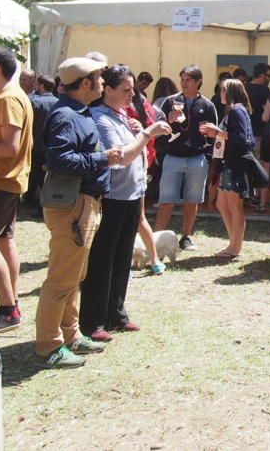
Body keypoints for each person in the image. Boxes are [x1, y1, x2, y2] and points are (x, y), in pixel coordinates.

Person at [35, 57, 123, 368]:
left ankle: (70, 334)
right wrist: (103, 159)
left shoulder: (77, 112)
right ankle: (49, 345)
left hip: (85, 203)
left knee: (75, 275)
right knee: (61, 278)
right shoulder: (66, 116)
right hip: (75, 205)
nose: (102, 82)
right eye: (99, 78)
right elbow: (60, 161)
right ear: (85, 83)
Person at [82, 66, 171, 341]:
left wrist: (139, 131)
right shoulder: (100, 118)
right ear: (108, 90)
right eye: (125, 90)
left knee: (122, 258)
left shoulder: (122, 116)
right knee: (102, 260)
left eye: (132, 89)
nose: (132, 94)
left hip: (131, 196)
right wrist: (146, 134)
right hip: (112, 198)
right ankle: (93, 320)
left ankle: (116, 314)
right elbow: (120, 157)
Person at [154, 65, 218, 250]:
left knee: (192, 200)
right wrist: (168, 120)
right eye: (182, 79)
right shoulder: (170, 101)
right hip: (173, 156)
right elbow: (156, 126)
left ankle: (187, 237)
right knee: (166, 201)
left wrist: (208, 157)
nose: (183, 83)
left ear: (199, 82)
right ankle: (157, 239)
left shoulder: (207, 105)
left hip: (197, 158)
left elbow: (214, 134)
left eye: (188, 80)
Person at [0, 48, 32, 332]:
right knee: (5, 240)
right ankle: (12, 302)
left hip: (1, 180)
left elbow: (10, 146)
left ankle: (9, 310)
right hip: (9, 181)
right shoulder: (15, 94)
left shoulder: (7, 97)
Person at [200, 79, 255, 259]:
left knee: (234, 206)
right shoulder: (236, 110)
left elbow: (241, 139)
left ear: (230, 91)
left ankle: (235, 247)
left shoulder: (237, 110)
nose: (220, 93)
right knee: (222, 204)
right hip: (230, 162)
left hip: (236, 162)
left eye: (223, 90)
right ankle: (233, 242)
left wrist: (217, 132)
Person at [124, 73, 168, 275]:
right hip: (142, 164)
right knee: (139, 217)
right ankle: (154, 260)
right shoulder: (144, 105)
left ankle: (144, 260)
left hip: (131, 166)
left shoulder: (128, 109)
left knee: (134, 218)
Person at [26, 74, 57, 208]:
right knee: (47, 177)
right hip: (51, 147)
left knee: (33, 174)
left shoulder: (34, 102)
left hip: (36, 145)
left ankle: (30, 199)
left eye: (37, 83)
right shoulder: (58, 102)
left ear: (42, 86)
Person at [245, 62, 270, 148]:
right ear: (261, 75)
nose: (269, 79)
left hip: (245, 131)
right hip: (259, 132)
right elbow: (267, 112)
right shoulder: (265, 90)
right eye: (268, 76)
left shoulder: (244, 88)